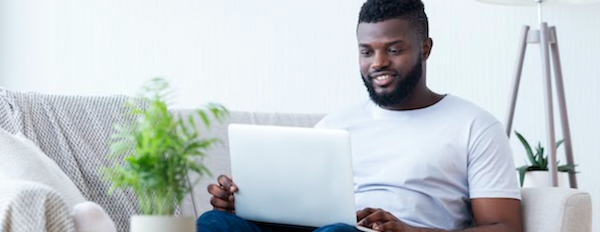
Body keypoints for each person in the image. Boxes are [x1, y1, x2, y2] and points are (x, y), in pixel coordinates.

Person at [196, 0, 523, 231]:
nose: (377, 62)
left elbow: (505, 227)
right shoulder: (335, 126)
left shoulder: (474, 126)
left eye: (394, 49)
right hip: (325, 230)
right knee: (214, 223)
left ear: (425, 48)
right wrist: (246, 202)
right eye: (367, 51)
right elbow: (296, 210)